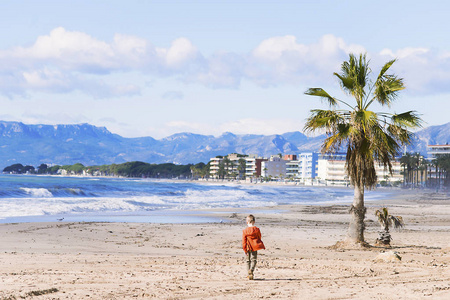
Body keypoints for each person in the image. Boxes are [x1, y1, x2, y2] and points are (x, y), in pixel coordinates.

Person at [242, 214, 265, 280]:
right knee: (254, 260)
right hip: (254, 246)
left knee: (248, 261)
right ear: (254, 222)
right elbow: (259, 237)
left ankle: (249, 274)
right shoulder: (257, 229)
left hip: (248, 247)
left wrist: (244, 249)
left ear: (247, 222)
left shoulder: (245, 231)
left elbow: (244, 241)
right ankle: (251, 270)